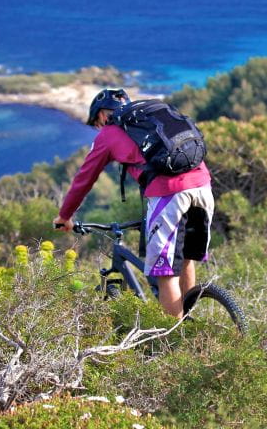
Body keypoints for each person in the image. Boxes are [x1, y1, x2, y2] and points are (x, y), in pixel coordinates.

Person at [53, 88, 215, 318]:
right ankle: (189, 321)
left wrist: (64, 216)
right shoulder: (153, 115)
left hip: (169, 194)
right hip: (203, 186)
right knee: (186, 259)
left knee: (165, 273)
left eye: (96, 123)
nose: (99, 128)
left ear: (102, 115)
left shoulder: (109, 133)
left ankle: (175, 335)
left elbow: (84, 179)